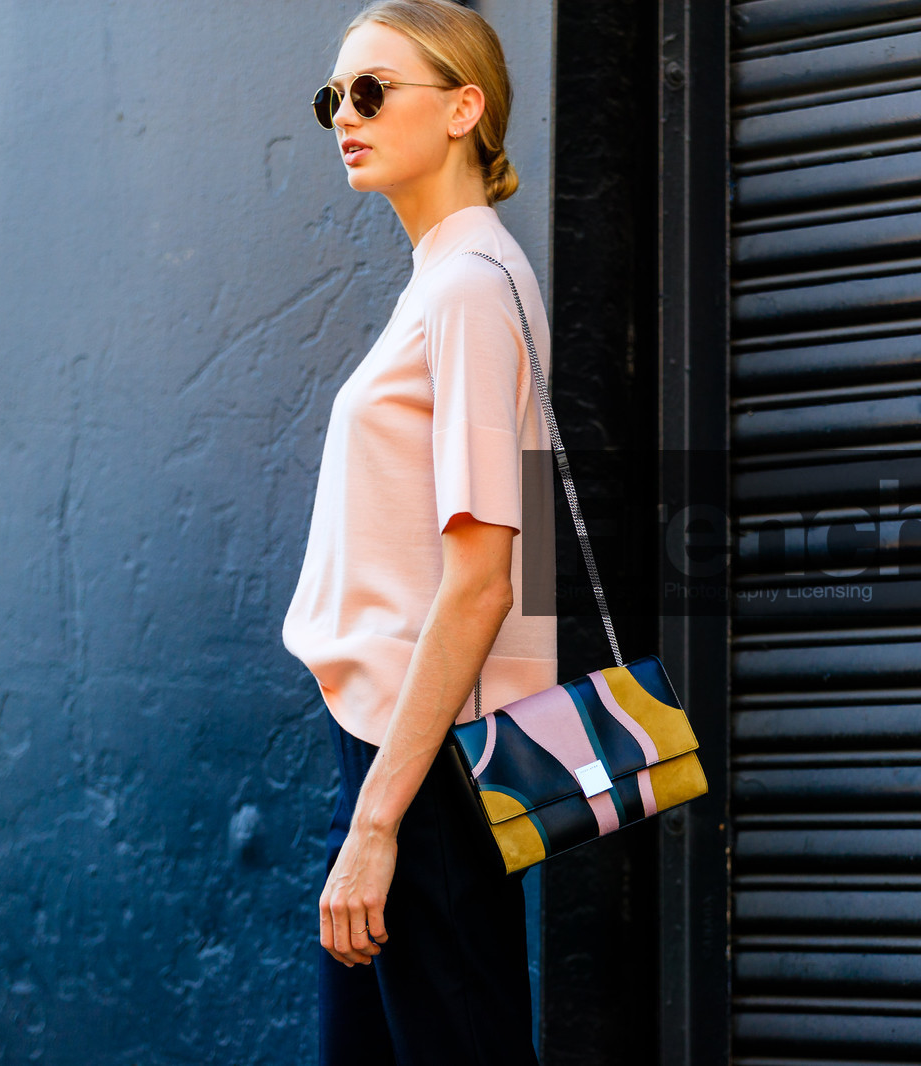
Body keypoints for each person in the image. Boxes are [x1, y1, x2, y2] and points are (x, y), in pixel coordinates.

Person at [280, 2, 555, 1063]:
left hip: (430, 762)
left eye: (371, 90)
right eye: (331, 99)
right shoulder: (443, 282)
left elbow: (480, 580)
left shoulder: (471, 289)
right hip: (399, 751)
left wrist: (378, 823)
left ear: (463, 108)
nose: (344, 115)